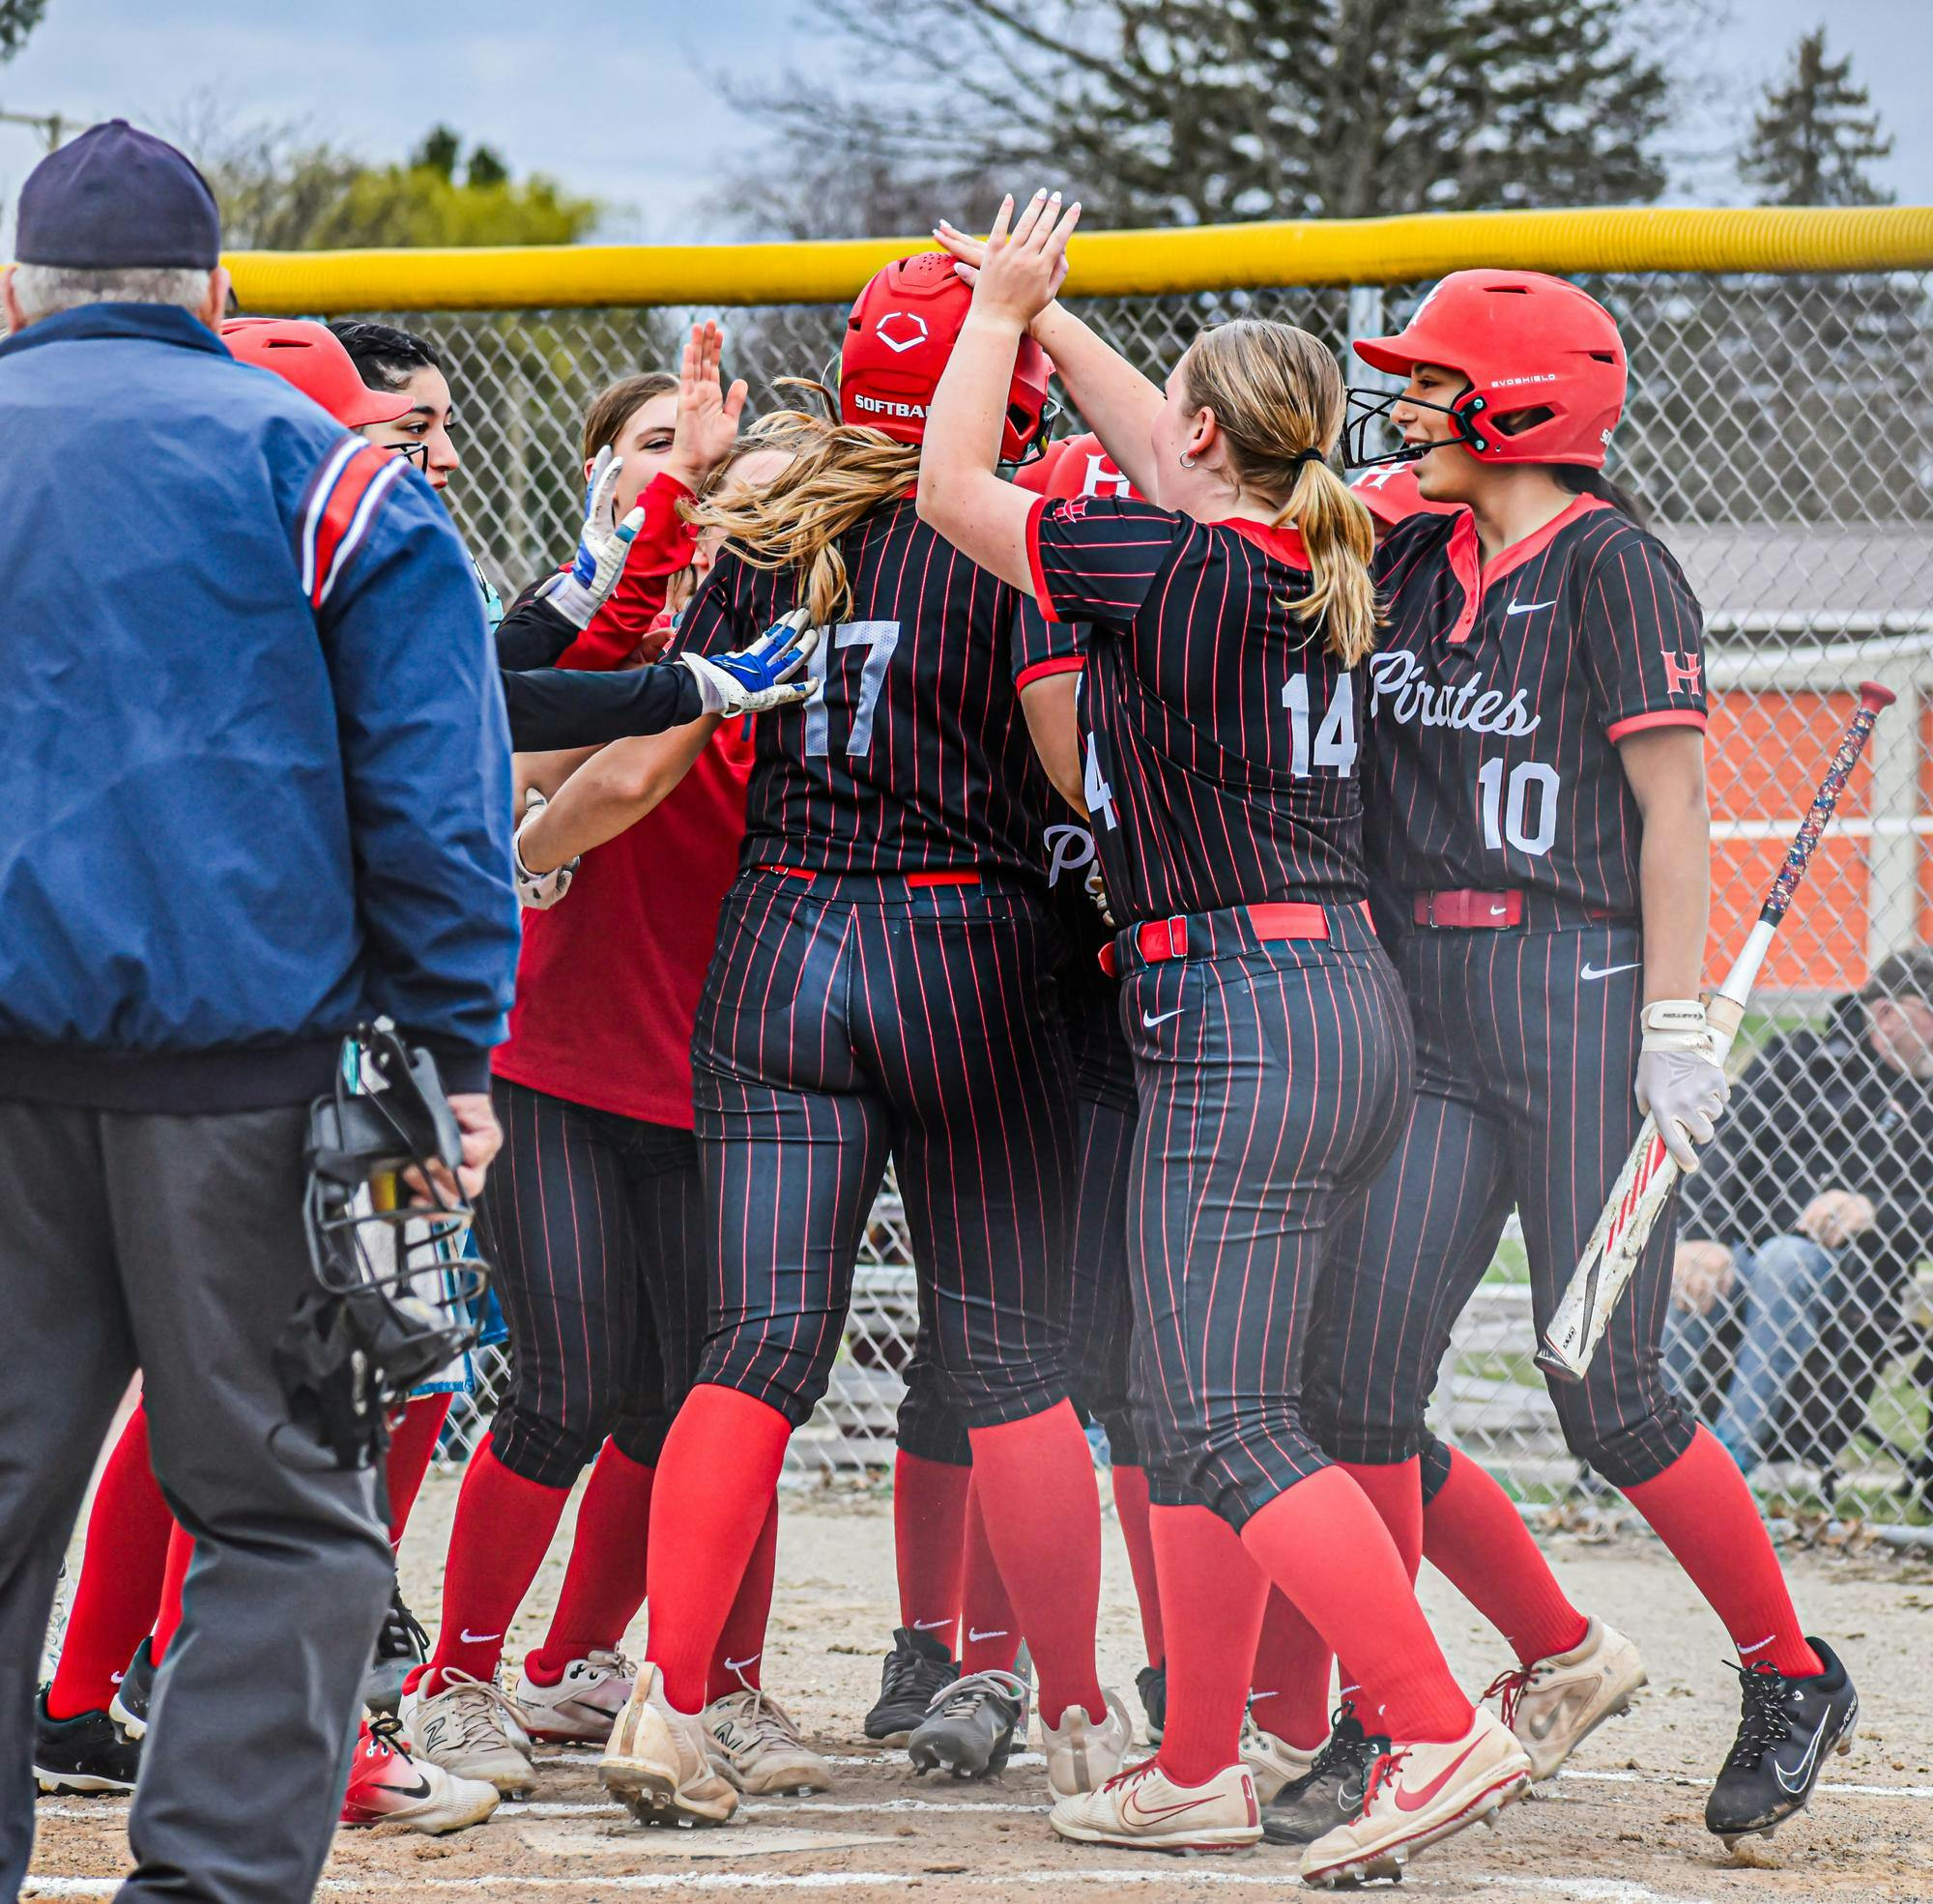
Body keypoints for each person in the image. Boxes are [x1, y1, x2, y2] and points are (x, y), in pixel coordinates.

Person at [919, 192, 1532, 1883]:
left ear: (1201, 439)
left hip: (1241, 1008)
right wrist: (1042, 313)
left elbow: (950, 489)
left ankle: (1433, 1723)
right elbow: (1187, 453)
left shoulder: (1174, 556)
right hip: (1338, 998)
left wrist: (994, 327)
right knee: (1204, 1416)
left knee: (1229, 1415)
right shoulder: (1331, 554)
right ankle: (1200, 1765)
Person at [0, 121, 518, 1904]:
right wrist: (450, 1055)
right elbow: (438, 807)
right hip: (261, 1086)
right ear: (218, 299)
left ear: (17, 292)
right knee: (289, 1516)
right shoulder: (335, 477)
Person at [1275, 267, 1857, 1853]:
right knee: (1354, 1383)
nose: (1404, 406)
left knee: (1602, 1388)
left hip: (1580, 993)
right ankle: (1399, 1719)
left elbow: (1673, 810)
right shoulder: (1403, 547)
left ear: (1515, 407)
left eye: (1435, 380)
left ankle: (1791, 1670)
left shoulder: (1616, 569)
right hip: (1428, 999)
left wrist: (1677, 1025)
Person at [596, 253, 1131, 1833]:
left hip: (781, 946)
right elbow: (1087, 780)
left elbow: (639, 768)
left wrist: (523, 841)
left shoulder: (777, 530)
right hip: (963, 951)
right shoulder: (1015, 535)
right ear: (1012, 381)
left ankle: (670, 1696)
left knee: (755, 1350)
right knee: (1018, 1362)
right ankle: (1086, 1725)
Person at [397, 385, 827, 1803]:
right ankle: (453, 1676)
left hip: (731, 1066)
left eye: (755, 495)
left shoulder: (815, 647)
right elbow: (540, 774)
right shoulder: (602, 627)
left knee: (716, 1390)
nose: (709, 504)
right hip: (566, 1055)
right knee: (569, 1383)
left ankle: (645, 1671)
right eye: (672, 466)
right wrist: (665, 648)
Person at [1665, 947, 1933, 1479]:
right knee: (1688, 1271)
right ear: (1889, 1013)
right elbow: (1725, 1147)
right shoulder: (1799, 1058)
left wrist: (1874, 1209)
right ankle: (1652, 1452)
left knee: (1786, 1262)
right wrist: (1702, 1236)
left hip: (1857, 1275)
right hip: (1746, 1248)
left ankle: (1724, 1468)